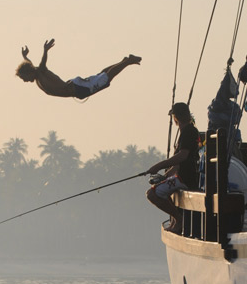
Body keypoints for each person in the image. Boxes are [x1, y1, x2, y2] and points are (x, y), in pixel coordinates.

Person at [16, 38, 141, 100]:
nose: (25, 81)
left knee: (105, 78)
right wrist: (25, 56)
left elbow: (42, 63)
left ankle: (128, 62)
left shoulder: (40, 72)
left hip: (78, 89)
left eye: (24, 78)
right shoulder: (37, 74)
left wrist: (45, 50)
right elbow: (30, 64)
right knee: (101, 76)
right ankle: (124, 61)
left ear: (29, 73)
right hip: (77, 87)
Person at [146, 102, 200, 234]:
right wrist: (165, 176)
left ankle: (179, 219)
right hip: (181, 176)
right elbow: (177, 164)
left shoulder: (188, 131)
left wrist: (158, 166)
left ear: (175, 118)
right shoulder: (188, 131)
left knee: (152, 194)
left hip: (185, 178)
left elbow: (182, 156)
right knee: (159, 190)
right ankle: (176, 220)